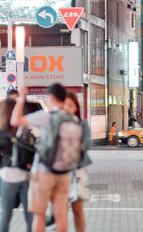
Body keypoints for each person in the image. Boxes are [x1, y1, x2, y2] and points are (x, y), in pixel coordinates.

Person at [12, 83, 80, 232]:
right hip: (65, 173)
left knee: (39, 214)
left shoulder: (46, 117)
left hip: (44, 171)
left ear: (51, 98)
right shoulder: (72, 119)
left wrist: (21, 98)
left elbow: (15, 121)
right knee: (61, 214)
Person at [0, 98, 32, 232]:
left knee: (6, 214)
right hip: (25, 174)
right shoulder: (24, 130)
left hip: (7, 175)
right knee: (30, 215)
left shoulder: (0, 133)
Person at [64, 92, 91, 232]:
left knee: (77, 208)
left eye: (70, 104)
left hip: (78, 170)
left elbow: (87, 143)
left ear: (76, 107)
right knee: (61, 208)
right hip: (59, 172)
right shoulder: (56, 123)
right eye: (64, 105)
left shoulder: (82, 123)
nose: (67, 108)